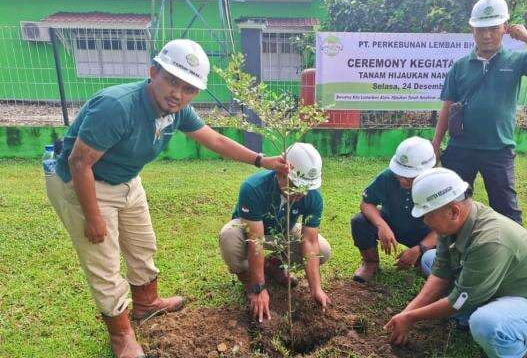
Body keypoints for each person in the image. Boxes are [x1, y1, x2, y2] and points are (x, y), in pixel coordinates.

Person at [45, 39, 287, 358]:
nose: (178, 93)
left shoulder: (177, 111)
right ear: (153, 72)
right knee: (103, 261)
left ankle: (146, 304)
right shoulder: (118, 106)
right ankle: (121, 336)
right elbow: (79, 163)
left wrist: (262, 160)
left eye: (188, 88)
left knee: (143, 244)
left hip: (127, 179)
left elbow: (213, 139)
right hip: (85, 182)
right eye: (172, 81)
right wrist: (93, 217)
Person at [385, 168, 527, 358]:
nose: (425, 221)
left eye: (428, 214)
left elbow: (456, 302)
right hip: (494, 287)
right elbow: (441, 273)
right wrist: (406, 314)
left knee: (486, 323)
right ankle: (472, 313)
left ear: (454, 211)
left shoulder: (490, 241)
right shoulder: (452, 224)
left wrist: (412, 317)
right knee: (429, 260)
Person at [432, 0, 527, 224]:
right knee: (453, 206)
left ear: (505, 27)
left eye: (493, 28)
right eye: (480, 29)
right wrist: (435, 144)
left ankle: (513, 257)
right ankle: (455, 255)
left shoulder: (517, 60)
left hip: (498, 149)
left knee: (506, 211)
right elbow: (447, 106)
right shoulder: (460, 66)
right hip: (460, 148)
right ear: (472, 30)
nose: (486, 35)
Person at [219, 143, 331, 323]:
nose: (301, 193)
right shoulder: (254, 187)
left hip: (282, 231)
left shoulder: (313, 197)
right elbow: (255, 240)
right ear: (281, 172)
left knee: (323, 250)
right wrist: (258, 287)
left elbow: (310, 241)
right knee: (229, 237)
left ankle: (274, 264)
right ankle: (247, 278)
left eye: (306, 188)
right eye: (296, 185)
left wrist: (316, 289)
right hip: (249, 231)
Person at [352, 137, 438, 282]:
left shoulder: (438, 184)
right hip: (392, 224)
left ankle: (421, 260)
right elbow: (366, 203)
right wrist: (382, 225)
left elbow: (446, 229)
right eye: (400, 174)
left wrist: (420, 248)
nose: (404, 180)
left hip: (424, 233)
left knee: (434, 261)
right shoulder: (387, 176)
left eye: (410, 177)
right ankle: (370, 263)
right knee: (360, 222)